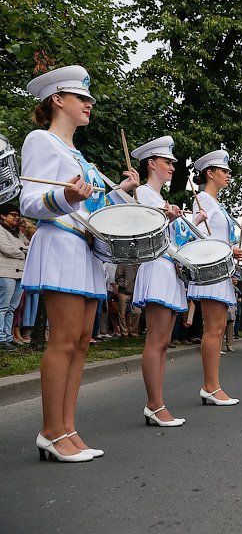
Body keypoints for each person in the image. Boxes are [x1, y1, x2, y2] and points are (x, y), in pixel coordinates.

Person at [22, 65, 140, 461]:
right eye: (81, 98)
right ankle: (50, 431)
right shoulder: (41, 140)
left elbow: (92, 207)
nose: (89, 104)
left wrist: (118, 193)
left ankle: (68, 428)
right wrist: (66, 199)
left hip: (86, 251)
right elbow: (29, 202)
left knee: (81, 345)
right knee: (64, 340)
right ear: (57, 100)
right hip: (61, 245)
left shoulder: (78, 154)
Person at [131, 135, 206, 426]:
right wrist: (168, 217)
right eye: (167, 162)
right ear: (152, 163)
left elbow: (173, 238)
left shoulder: (159, 198)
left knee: (163, 343)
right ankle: (154, 404)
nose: (173, 167)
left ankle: (157, 403)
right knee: (156, 340)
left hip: (169, 269)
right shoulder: (143, 193)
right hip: (157, 268)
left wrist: (190, 221)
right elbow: (144, 231)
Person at [189, 149, 242, 406]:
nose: (229, 175)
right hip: (209, 270)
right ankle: (210, 386)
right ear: (210, 173)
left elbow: (222, 236)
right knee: (213, 329)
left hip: (220, 271)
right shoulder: (202, 200)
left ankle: (213, 385)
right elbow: (197, 235)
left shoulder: (216, 204)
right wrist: (229, 248)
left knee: (218, 329)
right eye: (225, 171)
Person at [0, 204, 28, 351]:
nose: (16, 217)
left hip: (19, 273)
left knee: (12, 308)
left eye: (18, 215)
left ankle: (8, 338)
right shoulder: (1, 230)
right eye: (13, 214)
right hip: (5, 273)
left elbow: (29, 245)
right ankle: (1, 339)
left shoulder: (18, 233)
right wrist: (24, 251)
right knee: (2, 307)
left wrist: (22, 249)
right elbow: (7, 249)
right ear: (3, 215)